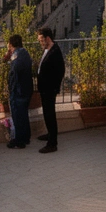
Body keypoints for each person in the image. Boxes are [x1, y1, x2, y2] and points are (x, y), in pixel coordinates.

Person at [35, 26, 65, 154]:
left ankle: (52, 143)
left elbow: (60, 71)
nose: (40, 42)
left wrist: (53, 88)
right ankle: (50, 134)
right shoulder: (47, 49)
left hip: (49, 89)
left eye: (41, 40)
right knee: (47, 114)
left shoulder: (55, 52)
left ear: (47, 38)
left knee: (50, 114)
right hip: (45, 88)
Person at [4, 34, 33, 149]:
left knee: (18, 116)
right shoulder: (24, 53)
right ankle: (26, 137)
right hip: (26, 89)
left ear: (10, 44)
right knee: (24, 115)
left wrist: (11, 90)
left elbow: (14, 75)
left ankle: (19, 141)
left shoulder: (16, 57)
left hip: (18, 91)